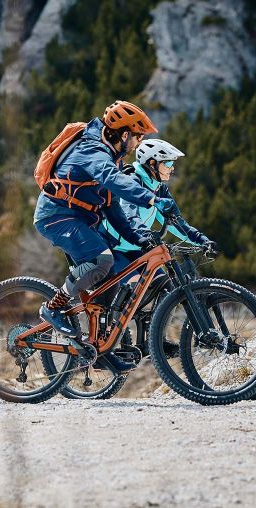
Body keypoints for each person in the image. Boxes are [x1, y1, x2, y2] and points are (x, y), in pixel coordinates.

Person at [34, 101, 174, 372]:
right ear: (124, 134)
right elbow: (112, 180)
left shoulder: (111, 156)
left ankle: (99, 349)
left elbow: (112, 208)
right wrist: (151, 199)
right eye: (138, 136)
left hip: (84, 219)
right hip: (56, 216)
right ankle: (53, 307)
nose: (138, 143)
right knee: (102, 260)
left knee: (114, 278)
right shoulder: (93, 150)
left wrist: (138, 239)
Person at [99, 138, 216, 358]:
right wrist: (145, 236)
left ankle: (155, 340)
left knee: (166, 286)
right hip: (114, 247)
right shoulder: (130, 180)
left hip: (135, 246)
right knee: (137, 288)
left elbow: (177, 222)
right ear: (152, 163)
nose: (172, 169)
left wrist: (201, 240)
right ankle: (109, 333)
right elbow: (128, 216)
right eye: (168, 164)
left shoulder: (159, 188)